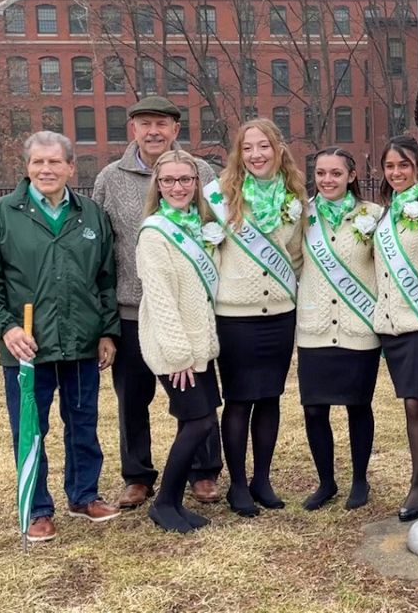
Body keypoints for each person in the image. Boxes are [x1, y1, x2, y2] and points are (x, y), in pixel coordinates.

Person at [0, 131, 121, 543]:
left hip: (82, 343)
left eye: (55, 162)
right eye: (38, 162)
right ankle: (37, 509)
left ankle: (84, 494)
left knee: (83, 423)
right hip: (27, 349)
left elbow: (105, 280)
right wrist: (5, 327)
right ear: (27, 166)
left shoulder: (91, 215)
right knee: (30, 428)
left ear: (71, 167)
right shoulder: (1, 215)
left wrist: (107, 330)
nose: (46, 170)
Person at [92, 95, 222, 510]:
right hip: (131, 309)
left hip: (189, 312)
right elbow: (99, 250)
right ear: (132, 129)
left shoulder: (201, 172)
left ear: (175, 130)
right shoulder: (109, 178)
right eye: (144, 124)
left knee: (196, 391)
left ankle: (204, 472)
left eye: (161, 124)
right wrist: (105, 321)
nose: (153, 131)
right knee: (133, 398)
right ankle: (137, 476)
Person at [204, 118, 306, 517]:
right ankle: (239, 484)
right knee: (239, 400)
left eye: (263, 146)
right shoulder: (221, 197)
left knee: (270, 398)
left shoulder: (294, 198)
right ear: (238, 153)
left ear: (278, 149)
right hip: (236, 317)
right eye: (247, 148)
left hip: (279, 315)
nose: (256, 155)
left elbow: (296, 254)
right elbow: (208, 252)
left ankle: (262, 478)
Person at [134, 150, 224, 533]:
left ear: (196, 183)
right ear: (158, 185)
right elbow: (161, 300)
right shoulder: (155, 233)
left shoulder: (197, 225)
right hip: (175, 349)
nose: (177, 187)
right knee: (198, 422)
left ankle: (172, 501)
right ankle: (165, 502)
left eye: (185, 179)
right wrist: (178, 356)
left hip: (201, 345)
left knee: (201, 421)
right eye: (168, 180)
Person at [295, 148, 384, 511]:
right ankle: (326, 481)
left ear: (351, 175)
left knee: (357, 406)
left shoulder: (374, 216)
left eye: (335, 173)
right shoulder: (300, 215)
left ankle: (360, 480)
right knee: (315, 409)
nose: (327, 180)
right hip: (314, 327)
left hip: (358, 327)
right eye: (320, 173)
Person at [372, 136, 418, 521]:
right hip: (391, 326)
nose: (396, 173)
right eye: (390, 167)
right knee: (415, 405)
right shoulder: (383, 213)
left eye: (404, 166)